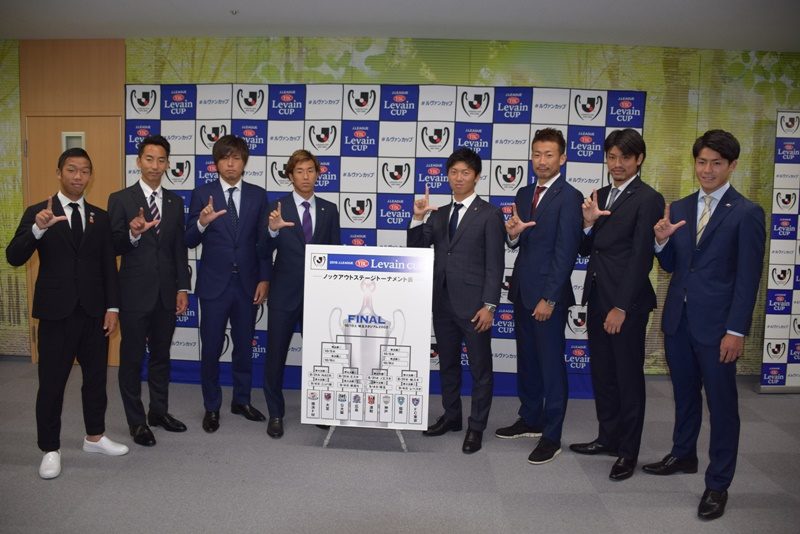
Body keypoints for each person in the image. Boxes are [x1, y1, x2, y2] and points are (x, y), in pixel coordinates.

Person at [644, 130, 765, 520]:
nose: (707, 170)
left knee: (722, 406)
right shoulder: (679, 207)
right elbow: (674, 266)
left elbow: (748, 279)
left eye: (716, 163)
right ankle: (683, 455)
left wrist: (736, 331)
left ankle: (718, 484)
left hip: (718, 329)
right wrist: (661, 242)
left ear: (732, 166)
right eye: (701, 162)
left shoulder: (746, 213)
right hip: (678, 322)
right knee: (684, 396)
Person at [6, 148, 129, 479]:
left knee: (96, 380)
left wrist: (112, 307)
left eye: (85, 170)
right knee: (52, 383)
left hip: (94, 313)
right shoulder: (39, 212)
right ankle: (49, 448)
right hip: (56, 314)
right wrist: (37, 230)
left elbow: (108, 266)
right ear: (59, 172)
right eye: (72, 169)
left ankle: (95, 436)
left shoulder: (99, 217)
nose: (78, 176)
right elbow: (14, 256)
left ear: (91, 176)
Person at [570, 129, 664, 481]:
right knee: (603, 374)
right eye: (612, 157)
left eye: (625, 157)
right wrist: (588, 223)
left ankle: (628, 452)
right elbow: (585, 249)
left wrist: (621, 306)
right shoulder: (601, 195)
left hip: (627, 304)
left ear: (639, 159)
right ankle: (607, 438)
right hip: (597, 297)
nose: (617, 164)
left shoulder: (649, 198)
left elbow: (641, 257)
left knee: (627, 379)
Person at [407, 147, 505, 454]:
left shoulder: (489, 214)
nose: (459, 178)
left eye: (465, 172)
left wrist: (490, 305)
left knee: (480, 370)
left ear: (476, 176)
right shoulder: (438, 214)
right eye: (453, 172)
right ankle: (452, 416)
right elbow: (417, 250)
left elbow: (495, 265)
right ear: (447, 176)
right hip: (442, 303)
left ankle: (476, 427)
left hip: (475, 307)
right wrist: (417, 217)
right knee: (448, 364)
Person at [494, 128, 583, 464]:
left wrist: (550, 298)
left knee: (551, 366)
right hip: (521, 291)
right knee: (528, 361)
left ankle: (552, 434)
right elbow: (517, 241)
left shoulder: (570, 197)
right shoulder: (523, 192)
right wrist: (512, 236)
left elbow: (566, 252)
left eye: (549, 155)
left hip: (548, 297)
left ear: (562, 158)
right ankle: (530, 418)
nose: (541, 161)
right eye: (537, 154)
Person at [108, 135, 191, 447]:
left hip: (166, 293)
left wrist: (182, 287)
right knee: (131, 360)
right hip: (133, 293)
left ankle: (158, 412)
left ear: (167, 164)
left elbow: (178, 249)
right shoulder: (120, 199)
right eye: (149, 159)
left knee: (160, 357)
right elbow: (112, 246)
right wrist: (133, 233)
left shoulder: (175, 202)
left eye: (161, 160)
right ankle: (137, 422)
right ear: (138, 161)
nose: (155, 166)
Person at [185, 135, 270, 433]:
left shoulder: (258, 195)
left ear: (244, 162)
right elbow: (189, 239)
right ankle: (212, 406)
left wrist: (264, 278)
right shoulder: (202, 194)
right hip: (214, 285)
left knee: (244, 347)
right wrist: (201, 222)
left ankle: (241, 400)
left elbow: (263, 242)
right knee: (210, 348)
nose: (230, 164)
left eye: (236, 158)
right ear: (216, 163)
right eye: (224, 158)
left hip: (247, 284)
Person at [259, 149, 341, 438]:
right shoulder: (276, 207)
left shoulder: (330, 209)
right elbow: (262, 251)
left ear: (318, 173)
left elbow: (335, 254)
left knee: (320, 357)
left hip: (319, 297)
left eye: (310, 170)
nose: (305, 176)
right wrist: (272, 230)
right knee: (276, 356)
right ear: (290, 176)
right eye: (299, 171)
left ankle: (320, 408)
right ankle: (276, 413)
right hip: (284, 293)